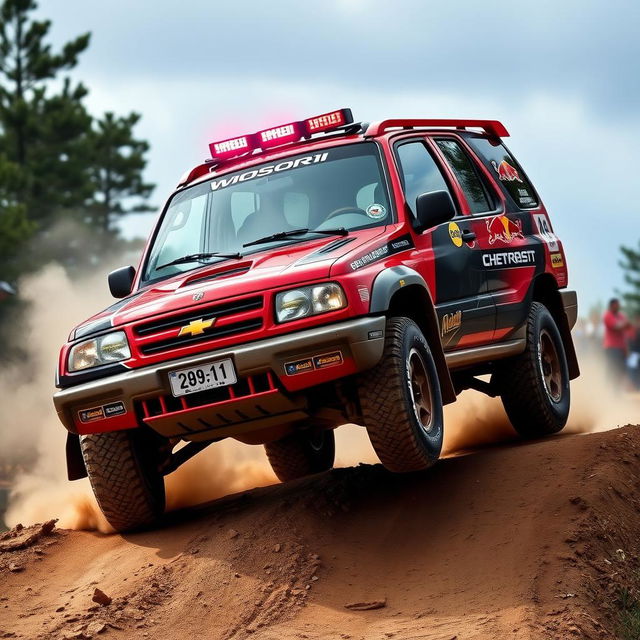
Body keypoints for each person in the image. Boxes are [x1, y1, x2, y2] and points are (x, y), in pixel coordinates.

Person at [602, 298, 630, 387]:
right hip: (611, 348)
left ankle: (617, 390)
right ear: (612, 305)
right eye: (617, 305)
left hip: (621, 347)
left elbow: (625, 329)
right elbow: (616, 327)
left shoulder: (621, 316)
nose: (618, 306)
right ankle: (609, 389)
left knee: (622, 370)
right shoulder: (608, 315)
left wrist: (626, 349)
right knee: (613, 369)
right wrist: (625, 324)